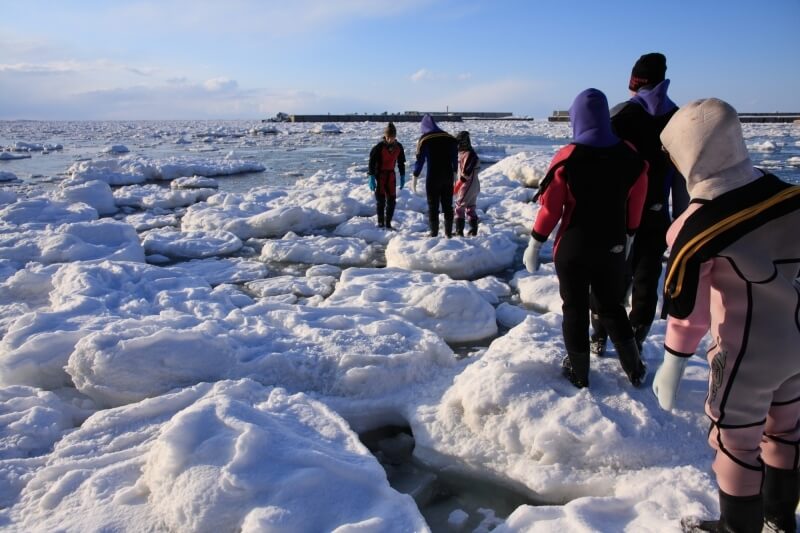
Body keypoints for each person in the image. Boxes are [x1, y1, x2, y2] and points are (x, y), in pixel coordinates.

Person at [652, 98, 800, 533]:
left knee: (735, 442)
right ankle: (780, 518)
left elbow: (690, 314)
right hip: (795, 342)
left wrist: (673, 363)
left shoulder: (696, 226)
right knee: (788, 430)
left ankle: (737, 528)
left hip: (743, 357)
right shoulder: (789, 197)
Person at [523, 88, 648, 389]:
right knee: (611, 305)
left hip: (573, 248)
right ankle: (634, 368)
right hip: (613, 247)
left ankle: (579, 371)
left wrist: (535, 242)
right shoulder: (631, 157)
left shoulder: (568, 156)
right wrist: (629, 235)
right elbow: (637, 203)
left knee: (575, 307)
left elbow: (551, 208)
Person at [590, 52, 690, 357]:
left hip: (619, 217)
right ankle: (634, 341)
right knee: (647, 279)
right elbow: (683, 176)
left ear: (635, 82)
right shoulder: (679, 119)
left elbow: (601, 170)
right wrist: (682, 218)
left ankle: (599, 336)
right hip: (659, 214)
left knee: (611, 277)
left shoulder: (620, 116)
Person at [412, 114, 458, 237]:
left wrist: (415, 176)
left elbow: (420, 160)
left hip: (433, 176)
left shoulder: (425, 140)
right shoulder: (450, 138)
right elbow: (455, 158)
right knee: (448, 205)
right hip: (448, 175)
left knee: (433, 205)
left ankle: (434, 233)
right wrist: (455, 172)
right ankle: (448, 233)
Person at [367, 122, 406, 230]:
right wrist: (371, 176)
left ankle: (388, 223)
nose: (390, 140)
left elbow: (401, 162)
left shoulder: (399, 147)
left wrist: (402, 176)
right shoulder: (379, 147)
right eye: (388, 137)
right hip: (380, 175)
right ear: (385, 136)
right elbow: (371, 162)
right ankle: (380, 223)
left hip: (391, 176)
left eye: (392, 137)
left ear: (395, 136)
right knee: (381, 201)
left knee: (392, 201)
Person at [454, 131, 481, 237]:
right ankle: (473, 230)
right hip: (474, 185)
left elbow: (466, 173)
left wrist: (457, 186)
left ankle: (459, 232)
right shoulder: (468, 153)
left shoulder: (469, 154)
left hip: (468, 185)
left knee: (459, 206)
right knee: (470, 207)